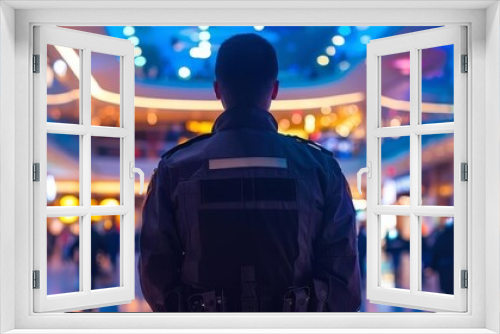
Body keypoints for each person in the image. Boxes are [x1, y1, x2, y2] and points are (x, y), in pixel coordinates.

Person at [139, 33, 361, 312]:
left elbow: (156, 280)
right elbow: (344, 287)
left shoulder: (175, 169)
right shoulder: (320, 169)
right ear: (274, 90)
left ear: (218, 90)